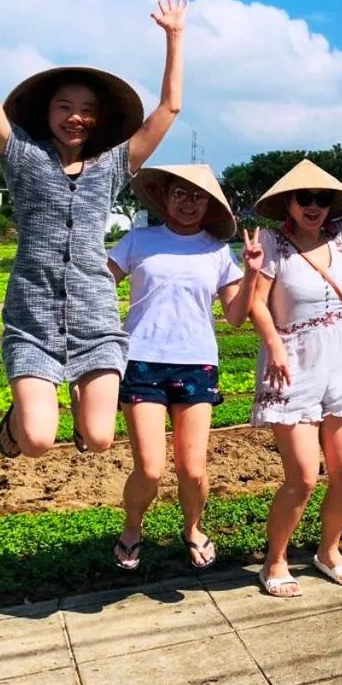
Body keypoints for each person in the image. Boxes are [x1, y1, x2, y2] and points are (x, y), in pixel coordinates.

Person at [0, 0, 186, 459]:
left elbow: (170, 107)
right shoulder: (20, 155)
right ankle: (20, 421)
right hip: (33, 317)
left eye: (87, 110)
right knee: (37, 442)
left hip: (95, 318)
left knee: (97, 439)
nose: (76, 118)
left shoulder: (115, 163)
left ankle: (73, 404)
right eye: (65, 107)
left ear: (99, 119)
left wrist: (175, 38)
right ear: (47, 112)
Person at [248, 111, 342, 597]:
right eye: (305, 199)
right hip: (294, 364)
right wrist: (274, 350)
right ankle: (276, 559)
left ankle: (329, 549)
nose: (314, 207)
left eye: (322, 200)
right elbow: (255, 306)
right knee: (304, 477)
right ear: (288, 202)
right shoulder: (272, 243)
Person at [107, 165, 260, 571]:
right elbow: (101, 282)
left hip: (195, 363)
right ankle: (132, 526)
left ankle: (192, 527)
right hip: (141, 361)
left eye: (198, 196)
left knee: (192, 469)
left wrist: (253, 273)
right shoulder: (139, 239)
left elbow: (235, 316)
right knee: (151, 467)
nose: (189, 203)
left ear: (209, 204)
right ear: (166, 197)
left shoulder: (215, 250)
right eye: (180, 194)